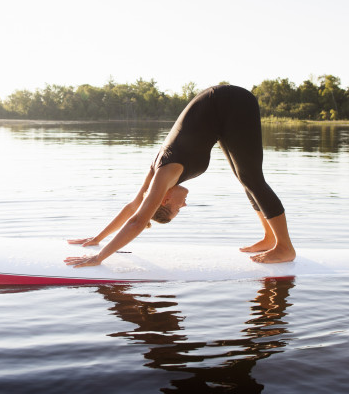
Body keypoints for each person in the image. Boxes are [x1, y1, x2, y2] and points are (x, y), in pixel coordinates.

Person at [65, 84, 296, 268]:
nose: (183, 206)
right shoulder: (158, 173)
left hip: (230, 102)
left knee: (252, 178)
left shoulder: (165, 174)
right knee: (246, 178)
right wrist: (98, 238)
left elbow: (137, 219)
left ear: (165, 200)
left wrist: (100, 257)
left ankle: (284, 247)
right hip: (222, 110)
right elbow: (134, 207)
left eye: (177, 209)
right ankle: (270, 238)